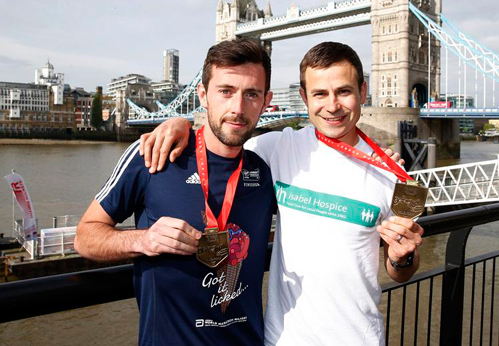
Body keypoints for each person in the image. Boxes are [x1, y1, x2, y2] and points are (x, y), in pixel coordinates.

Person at [141, 41, 424, 346]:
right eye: (319, 94)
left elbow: (399, 273)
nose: (332, 106)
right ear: (304, 97)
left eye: (343, 91)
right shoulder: (276, 148)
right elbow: (219, 141)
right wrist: (180, 124)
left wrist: (402, 258)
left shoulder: (391, 173)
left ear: (362, 92)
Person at [74, 39, 277, 345]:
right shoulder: (152, 156)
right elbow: (85, 237)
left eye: (251, 94)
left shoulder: (266, 172)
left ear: (266, 101)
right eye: (225, 91)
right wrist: (143, 239)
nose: (237, 108)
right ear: (202, 95)